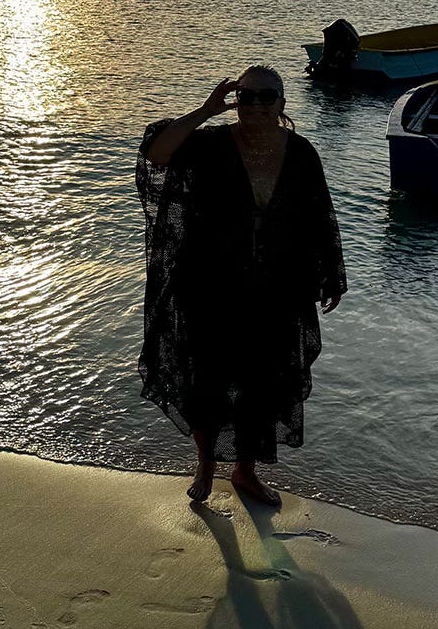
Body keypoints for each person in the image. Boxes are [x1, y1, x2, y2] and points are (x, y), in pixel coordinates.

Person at [136, 66, 346, 508]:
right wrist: (207, 110)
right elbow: (157, 154)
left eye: (266, 96)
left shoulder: (302, 153)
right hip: (209, 283)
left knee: (264, 384)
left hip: (278, 288)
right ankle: (205, 465)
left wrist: (331, 275)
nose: (256, 104)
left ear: (282, 104)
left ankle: (244, 472)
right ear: (236, 101)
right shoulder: (211, 145)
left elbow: (319, 216)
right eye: (246, 96)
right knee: (206, 380)